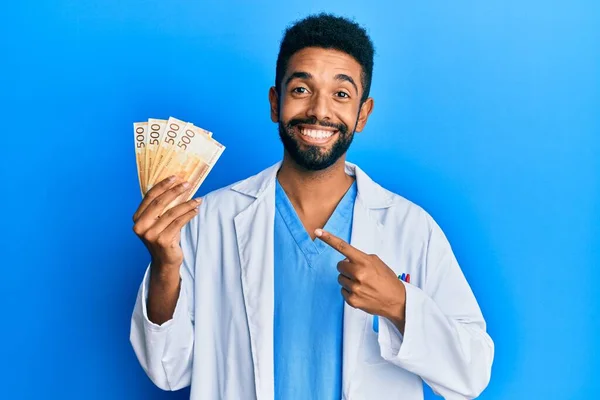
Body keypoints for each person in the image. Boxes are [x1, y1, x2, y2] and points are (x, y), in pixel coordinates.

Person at [130, 13, 494, 400]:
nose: (320, 111)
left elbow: (471, 375)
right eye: (302, 89)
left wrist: (400, 305)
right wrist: (165, 267)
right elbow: (167, 370)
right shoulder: (210, 219)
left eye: (341, 94)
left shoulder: (411, 227)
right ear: (275, 102)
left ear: (362, 114)